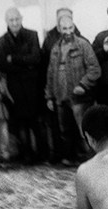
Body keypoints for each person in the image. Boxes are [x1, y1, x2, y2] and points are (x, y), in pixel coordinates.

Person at [45, 13, 101, 166]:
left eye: (70, 27)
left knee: (84, 132)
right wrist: (49, 96)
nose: (68, 31)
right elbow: (50, 74)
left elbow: (95, 69)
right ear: (59, 29)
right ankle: (70, 159)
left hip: (79, 99)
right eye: (64, 28)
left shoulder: (83, 45)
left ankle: (93, 162)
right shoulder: (55, 49)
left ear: (74, 27)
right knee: (65, 132)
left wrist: (83, 85)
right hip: (60, 98)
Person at [0, 7, 45, 164]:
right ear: (6, 21)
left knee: (36, 121)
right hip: (15, 87)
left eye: (17, 19)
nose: (15, 22)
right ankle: (26, 154)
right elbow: (4, 65)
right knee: (21, 122)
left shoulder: (32, 35)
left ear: (21, 18)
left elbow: (36, 59)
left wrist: (15, 59)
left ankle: (41, 154)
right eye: (11, 20)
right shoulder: (2, 40)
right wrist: (26, 63)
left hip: (32, 86)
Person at [41, 8, 82, 164]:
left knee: (77, 125)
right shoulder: (51, 41)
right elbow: (48, 69)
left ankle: (78, 154)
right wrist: (48, 94)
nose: (67, 29)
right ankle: (63, 155)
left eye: (68, 21)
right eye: (62, 22)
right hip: (59, 91)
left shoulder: (80, 39)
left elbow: (90, 66)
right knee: (60, 126)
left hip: (77, 93)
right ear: (58, 24)